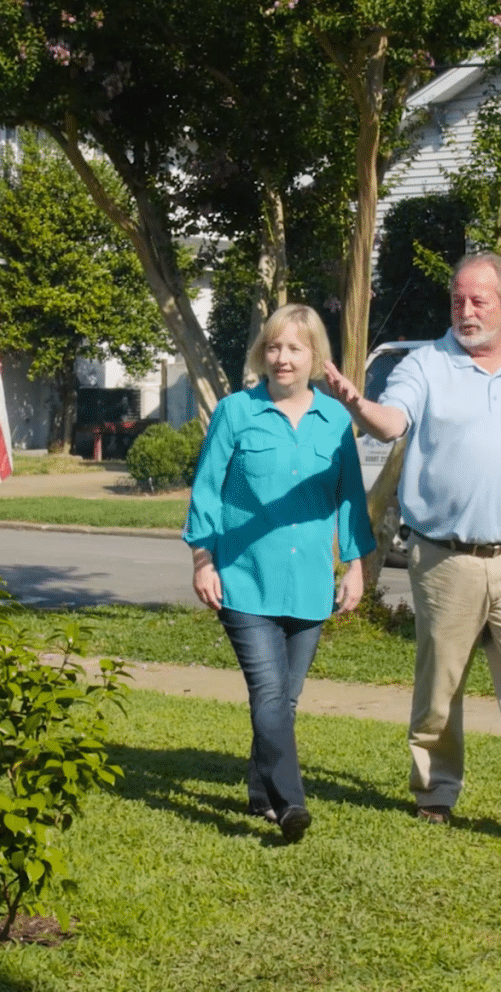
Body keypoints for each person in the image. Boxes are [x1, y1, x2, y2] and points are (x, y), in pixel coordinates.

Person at [324, 252, 501, 852]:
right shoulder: (425, 365)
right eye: (458, 299)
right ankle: (435, 793)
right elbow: (391, 421)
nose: (466, 310)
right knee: (441, 685)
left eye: (480, 300)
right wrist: (358, 404)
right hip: (446, 558)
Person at [184, 303, 376, 843]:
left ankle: (258, 788)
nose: (282, 358)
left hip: (310, 584)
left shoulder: (337, 420)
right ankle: (291, 802)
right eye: (273, 347)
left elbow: (349, 500)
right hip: (243, 578)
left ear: (315, 356)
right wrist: (203, 560)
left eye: (294, 348)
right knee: (269, 693)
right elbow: (207, 491)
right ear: (261, 354)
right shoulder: (234, 413)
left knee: (284, 701)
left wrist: (354, 568)